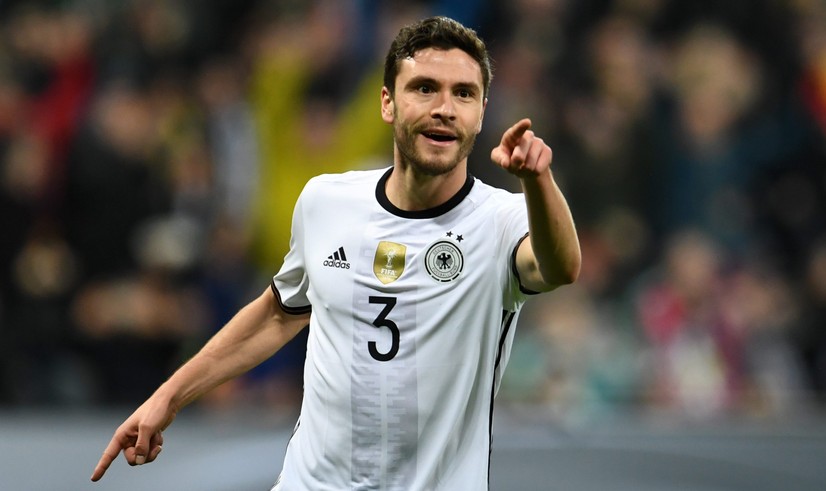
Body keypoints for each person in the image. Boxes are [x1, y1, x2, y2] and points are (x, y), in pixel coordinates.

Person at [90, 16, 581, 490]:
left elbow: (560, 266)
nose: (445, 107)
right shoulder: (326, 202)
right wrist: (168, 398)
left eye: (464, 94)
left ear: (480, 113)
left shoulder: (504, 220)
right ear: (388, 103)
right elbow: (278, 315)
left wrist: (538, 182)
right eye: (425, 88)